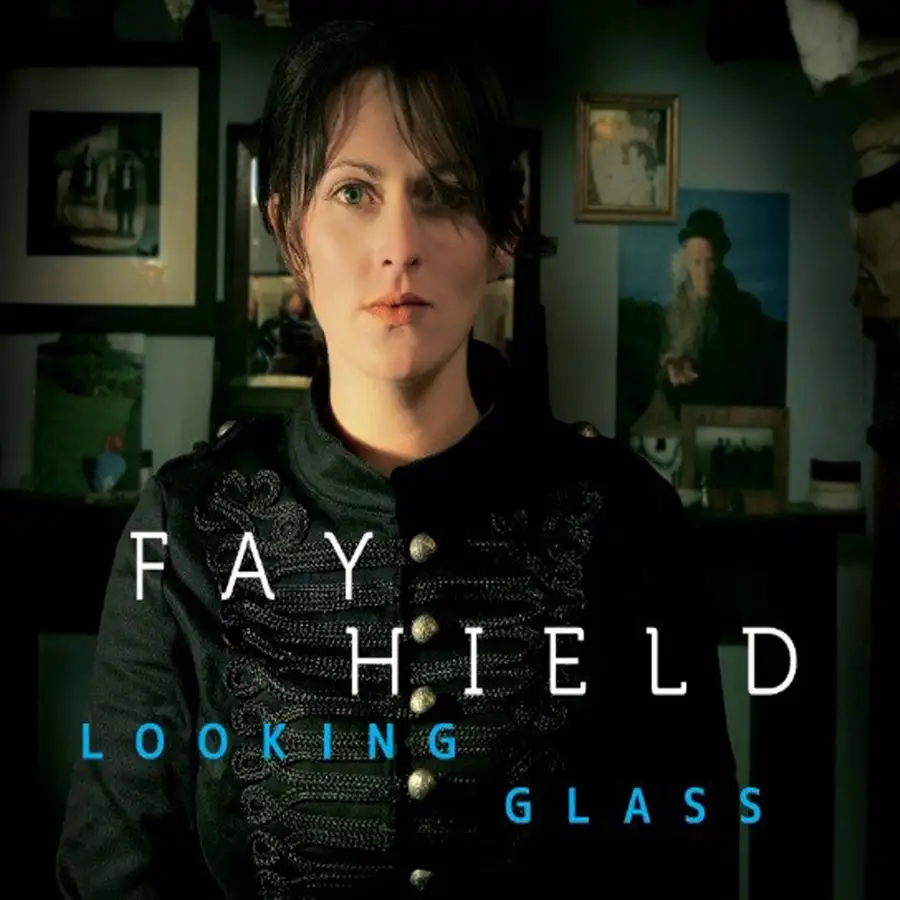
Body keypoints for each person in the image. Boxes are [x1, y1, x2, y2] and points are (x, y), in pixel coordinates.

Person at [56, 18, 737, 898]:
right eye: (353, 192)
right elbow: (114, 872)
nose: (399, 244)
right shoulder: (188, 525)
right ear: (288, 231)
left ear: (503, 233)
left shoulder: (627, 520)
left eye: (443, 192)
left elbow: (686, 866)